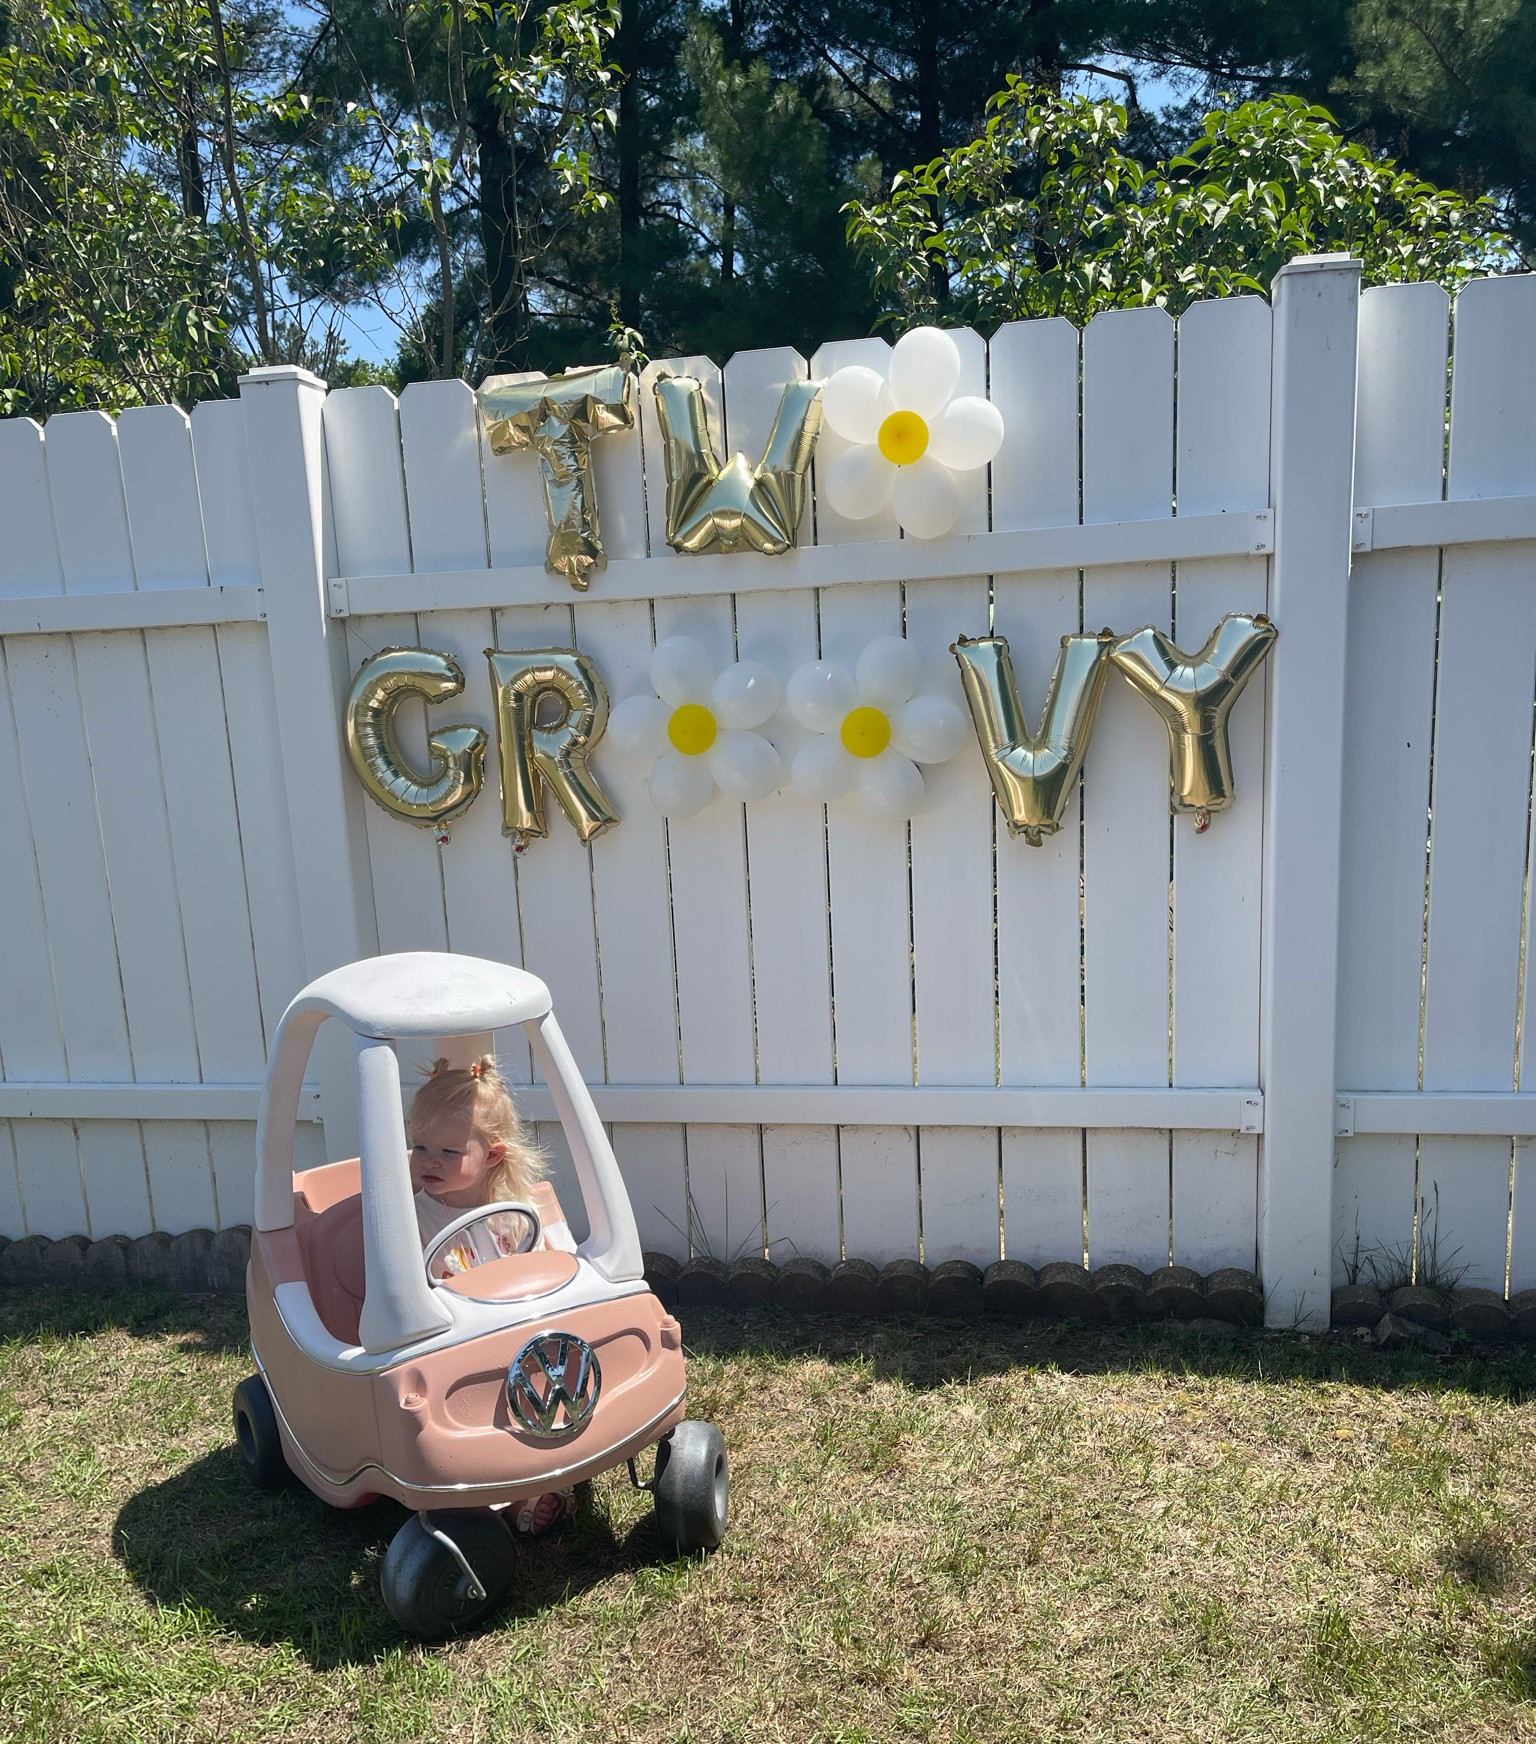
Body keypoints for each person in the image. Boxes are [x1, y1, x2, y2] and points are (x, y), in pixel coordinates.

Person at [406, 1054, 577, 1534]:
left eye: (447, 1152)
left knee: (551, 1368)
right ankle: (495, 1493)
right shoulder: (411, 1218)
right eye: (419, 1148)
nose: (428, 1162)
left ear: (493, 1156)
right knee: (470, 1409)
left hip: (516, 1330)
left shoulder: (517, 1208)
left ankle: (550, 1475)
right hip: (455, 1341)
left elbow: (552, 1264)